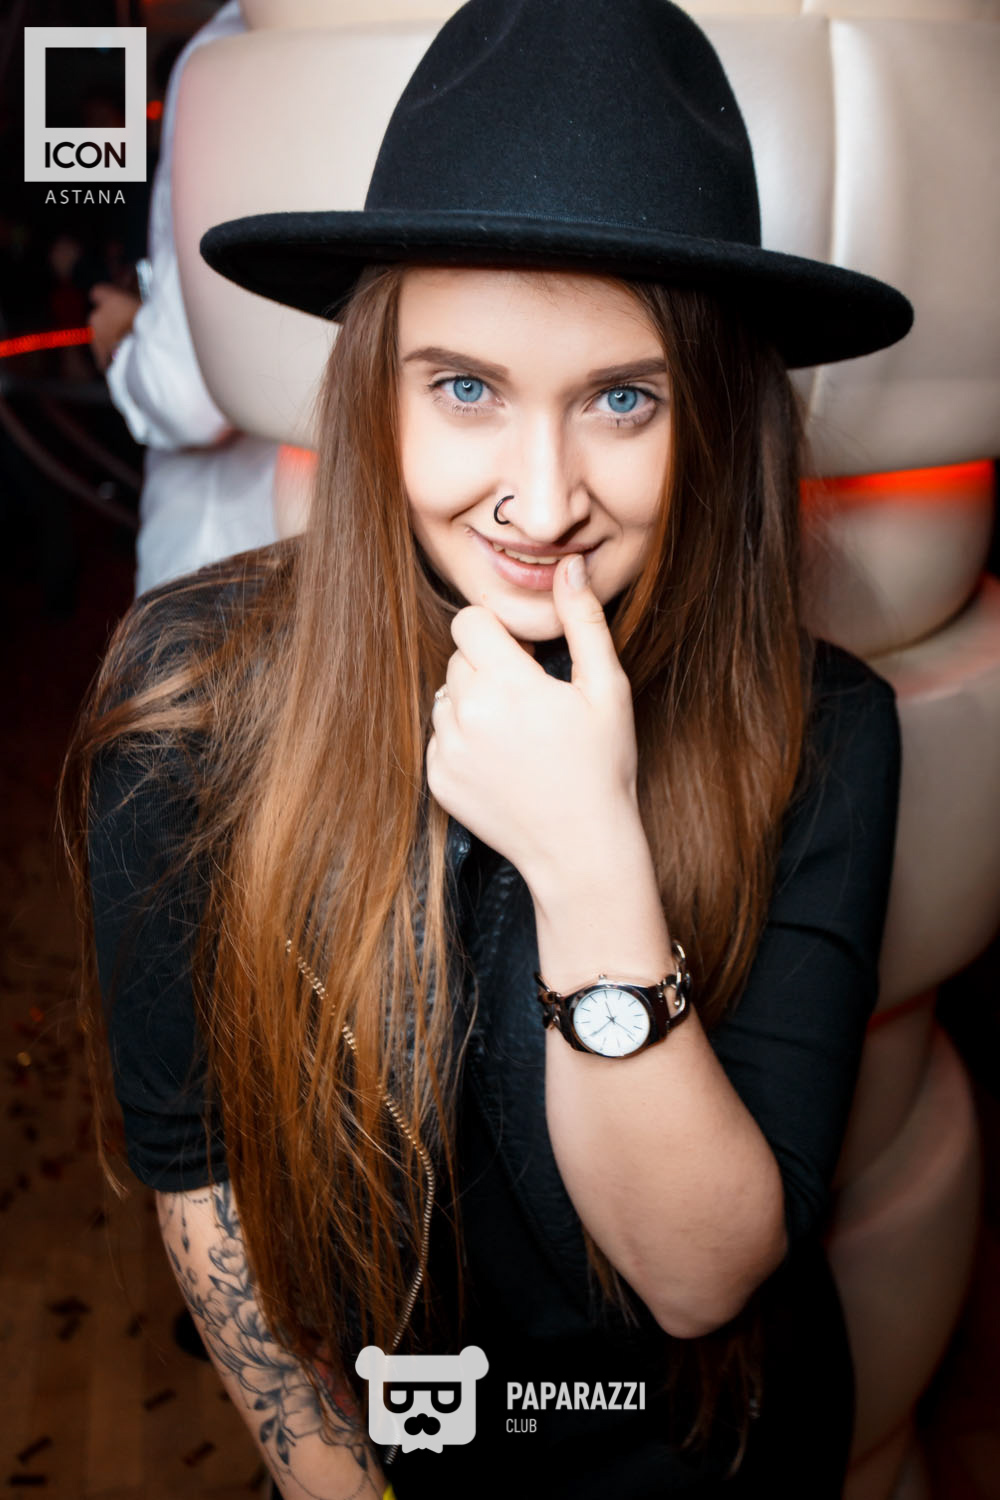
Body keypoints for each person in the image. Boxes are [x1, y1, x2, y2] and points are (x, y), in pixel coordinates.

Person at [61, 2, 913, 1497]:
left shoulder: (824, 726)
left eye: (623, 400)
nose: (541, 498)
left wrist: (589, 869)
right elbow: (202, 1185)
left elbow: (701, 1279)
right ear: (376, 393)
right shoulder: (194, 703)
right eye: (466, 388)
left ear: (715, 421)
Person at [89, 0, 280, 597]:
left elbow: (187, 392)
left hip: (215, 552)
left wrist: (124, 340)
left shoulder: (224, 61)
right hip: (343, 546)